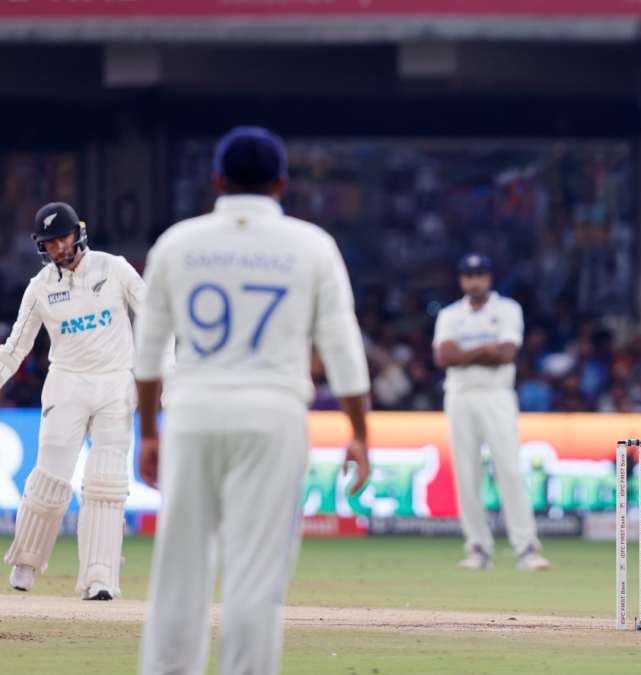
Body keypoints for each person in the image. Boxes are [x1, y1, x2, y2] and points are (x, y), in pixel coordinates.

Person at [134, 126, 372, 675]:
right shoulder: (311, 245)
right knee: (256, 574)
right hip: (273, 415)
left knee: (180, 570)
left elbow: (148, 353)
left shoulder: (178, 242)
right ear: (281, 184)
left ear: (217, 181)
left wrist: (149, 431)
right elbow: (341, 346)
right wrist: (360, 432)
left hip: (191, 412)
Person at [2, 201, 150, 601]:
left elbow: (155, 315)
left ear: (78, 233)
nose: (57, 249)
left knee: (106, 483)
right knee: (50, 479)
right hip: (66, 385)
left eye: (62, 239)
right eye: (49, 244)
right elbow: (15, 349)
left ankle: (99, 576)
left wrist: (163, 373)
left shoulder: (113, 268)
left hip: (115, 384)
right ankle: (27, 560)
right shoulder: (40, 288)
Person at [433, 253, 550, 571]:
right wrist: (485, 349)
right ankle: (477, 548)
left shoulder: (507, 309)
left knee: (509, 470)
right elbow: (443, 357)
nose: (474, 280)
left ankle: (526, 548)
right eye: (469, 275)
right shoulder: (449, 314)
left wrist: (464, 353)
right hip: (459, 396)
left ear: (489, 278)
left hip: (496, 395)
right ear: (462, 280)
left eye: (480, 274)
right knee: (466, 473)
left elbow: (506, 354)